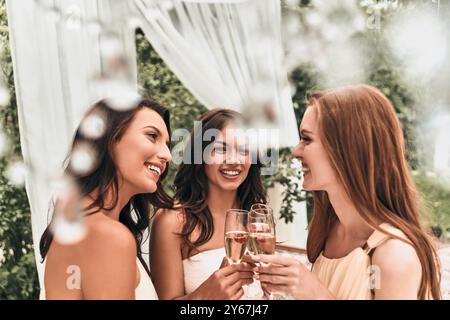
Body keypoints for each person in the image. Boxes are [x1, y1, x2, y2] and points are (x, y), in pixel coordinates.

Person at [253, 84, 441, 300]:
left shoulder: (393, 254)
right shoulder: (331, 226)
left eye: (307, 139)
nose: (296, 151)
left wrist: (314, 293)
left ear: (346, 149)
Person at [40, 99, 173, 299]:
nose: (167, 155)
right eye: (152, 136)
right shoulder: (107, 235)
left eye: (167, 144)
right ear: (110, 137)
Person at [150, 108, 266, 299]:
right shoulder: (172, 221)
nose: (233, 160)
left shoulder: (256, 215)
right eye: (220, 149)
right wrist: (208, 294)